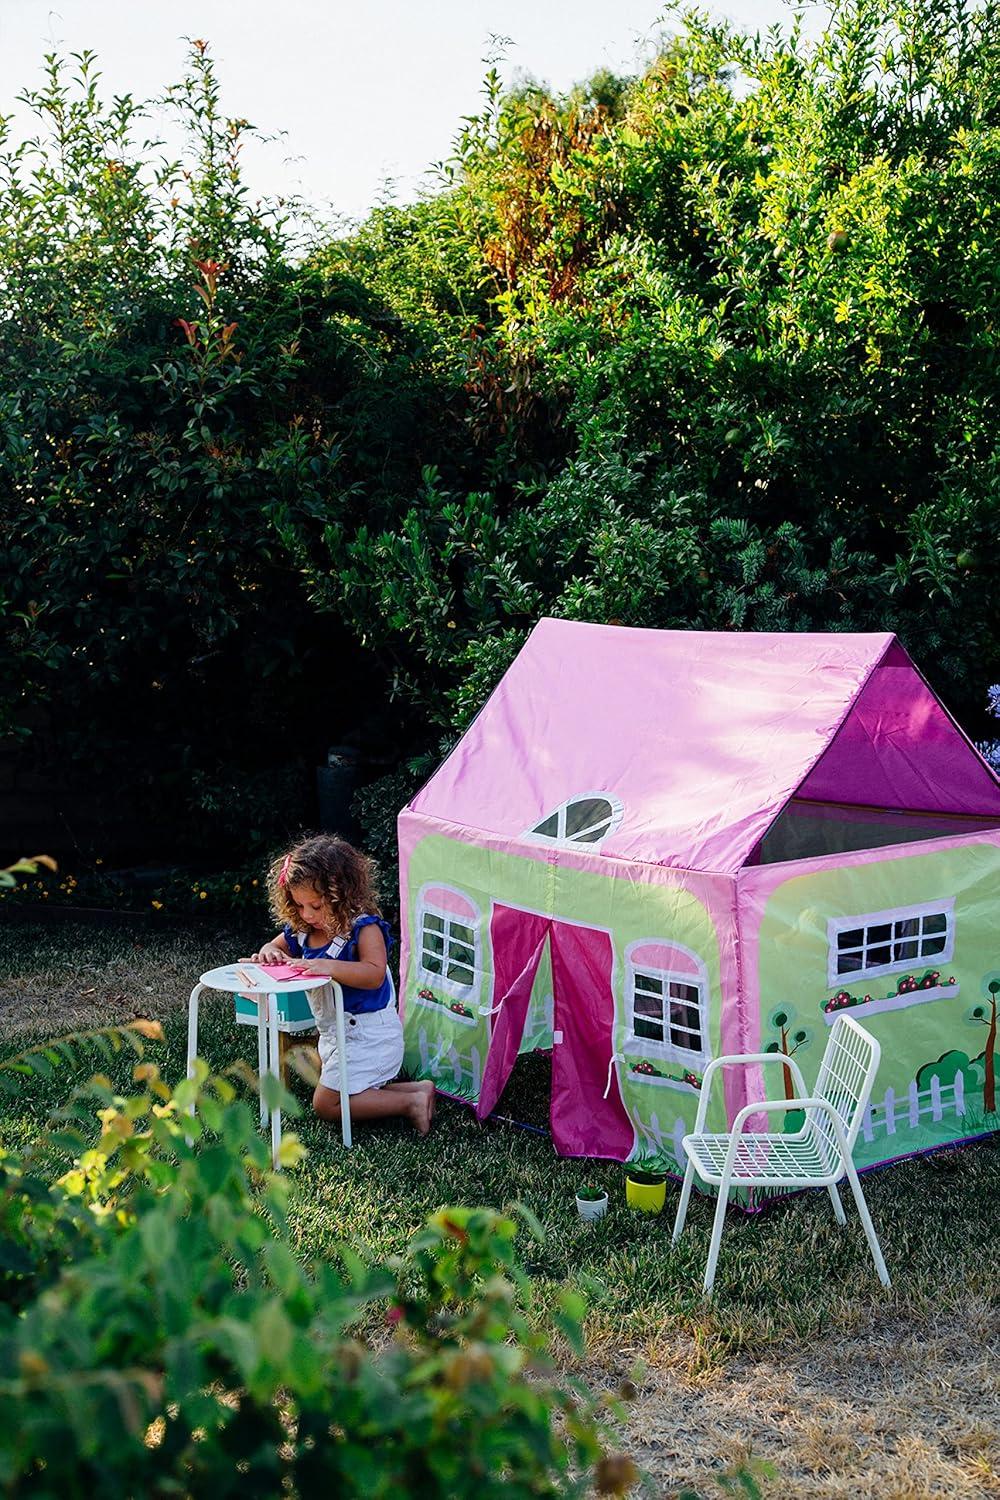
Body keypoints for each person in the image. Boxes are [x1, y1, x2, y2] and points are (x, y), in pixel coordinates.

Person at [248, 833, 434, 1135]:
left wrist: (327, 966)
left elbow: (373, 974)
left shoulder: (363, 927)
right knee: (343, 1092)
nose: (307, 914)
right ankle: (417, 1091)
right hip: (335, 1035)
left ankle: (409, 1103)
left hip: (370, 1034)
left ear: (341, 893)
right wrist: (269, 951)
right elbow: (276, 946)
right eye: (300, 906)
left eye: (316, 906)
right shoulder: (303, 930)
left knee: (326, 1104)